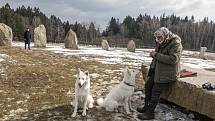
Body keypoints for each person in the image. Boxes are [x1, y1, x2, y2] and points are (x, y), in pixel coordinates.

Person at [137, 27, 182, 120]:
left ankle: (150, 113)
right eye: (156, 38)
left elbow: (173, 59)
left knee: (155, 92)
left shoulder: (176, 43)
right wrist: (153, 54)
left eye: (160, 37)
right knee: (148, 86)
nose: (158, 39)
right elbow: (157, 54)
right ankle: (146, 107)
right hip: (157, 69)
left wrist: (156, 55)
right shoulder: (160, 42)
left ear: (166, 35)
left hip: (168, 72)